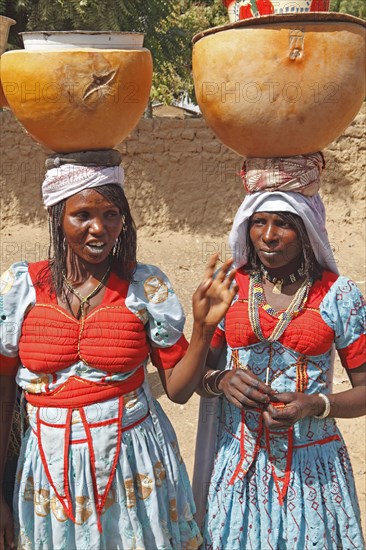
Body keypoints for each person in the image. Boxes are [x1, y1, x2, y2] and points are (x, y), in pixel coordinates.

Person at [0, 159, 238, 550]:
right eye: (82, 215)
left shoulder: (144, 285)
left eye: (111, 214)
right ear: (57, 217)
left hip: (135, 467)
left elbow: (177, 390)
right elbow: (4, 392)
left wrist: (204, 328)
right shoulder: (21, 287)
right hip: (48, 468)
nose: (99, 228)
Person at [193, 154, 366, 550]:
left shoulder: (339, 295)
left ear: (307, 231)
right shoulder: (231, 288)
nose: (268, 235)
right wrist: (221, 380)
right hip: (237, 464)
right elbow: (194, 377)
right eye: (259, 222)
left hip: (312, 469)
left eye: (283, 223)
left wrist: (314, 404)